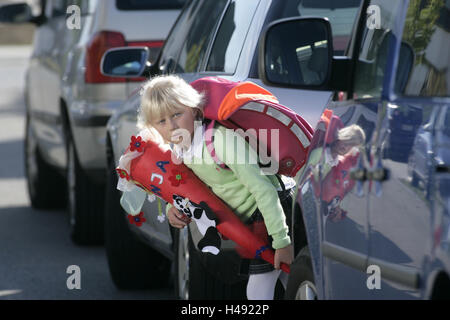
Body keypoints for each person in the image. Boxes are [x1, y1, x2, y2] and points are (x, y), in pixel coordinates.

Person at [137, 75, 294, 300]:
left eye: (177, 114)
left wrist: (282, 241)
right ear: (153, 128)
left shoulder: (219, 140)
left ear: (194, 109)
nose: (172, 126)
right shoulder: (179, 151)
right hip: (246, 219)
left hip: (270, 211)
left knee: (259, 289)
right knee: (285, 277)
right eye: (161, 122)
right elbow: (187, 190)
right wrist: (174, 209)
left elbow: (263, 189)